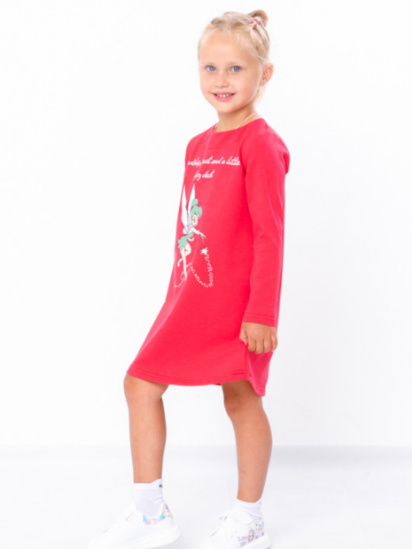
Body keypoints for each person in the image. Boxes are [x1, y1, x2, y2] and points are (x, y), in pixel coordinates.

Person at [86, 9, 290, 549]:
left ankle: (249, 517)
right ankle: (151, 513)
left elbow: (269, 236)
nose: (221, 80)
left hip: (239, 306)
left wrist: (261, 312)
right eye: (210, 68)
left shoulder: (261, 144)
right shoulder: (198, 146)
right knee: (140, 382)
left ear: (264, 74)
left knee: (240, 399)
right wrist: (176, 294)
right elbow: (190, 228)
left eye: (235, 69)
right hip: (190, 298)